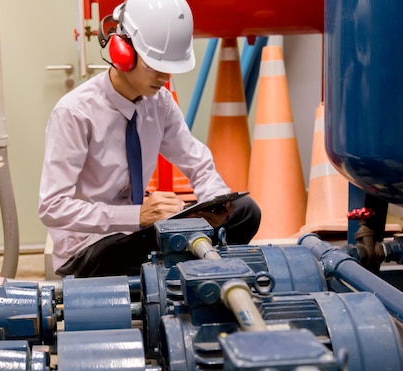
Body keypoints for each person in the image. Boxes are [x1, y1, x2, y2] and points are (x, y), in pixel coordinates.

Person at [38, 0, 261, 277]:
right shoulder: (74, 113)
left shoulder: (160, 104)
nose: (165, 76)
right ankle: (192, 268)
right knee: (142, 249)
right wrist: (137, 216)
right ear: (123, 52)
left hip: (140, 234)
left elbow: (198, 163)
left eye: (170, 67)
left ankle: (189, 267)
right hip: (90, 247)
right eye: (156, 65)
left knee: (245, 211)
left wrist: (214, 206)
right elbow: (52, 208)